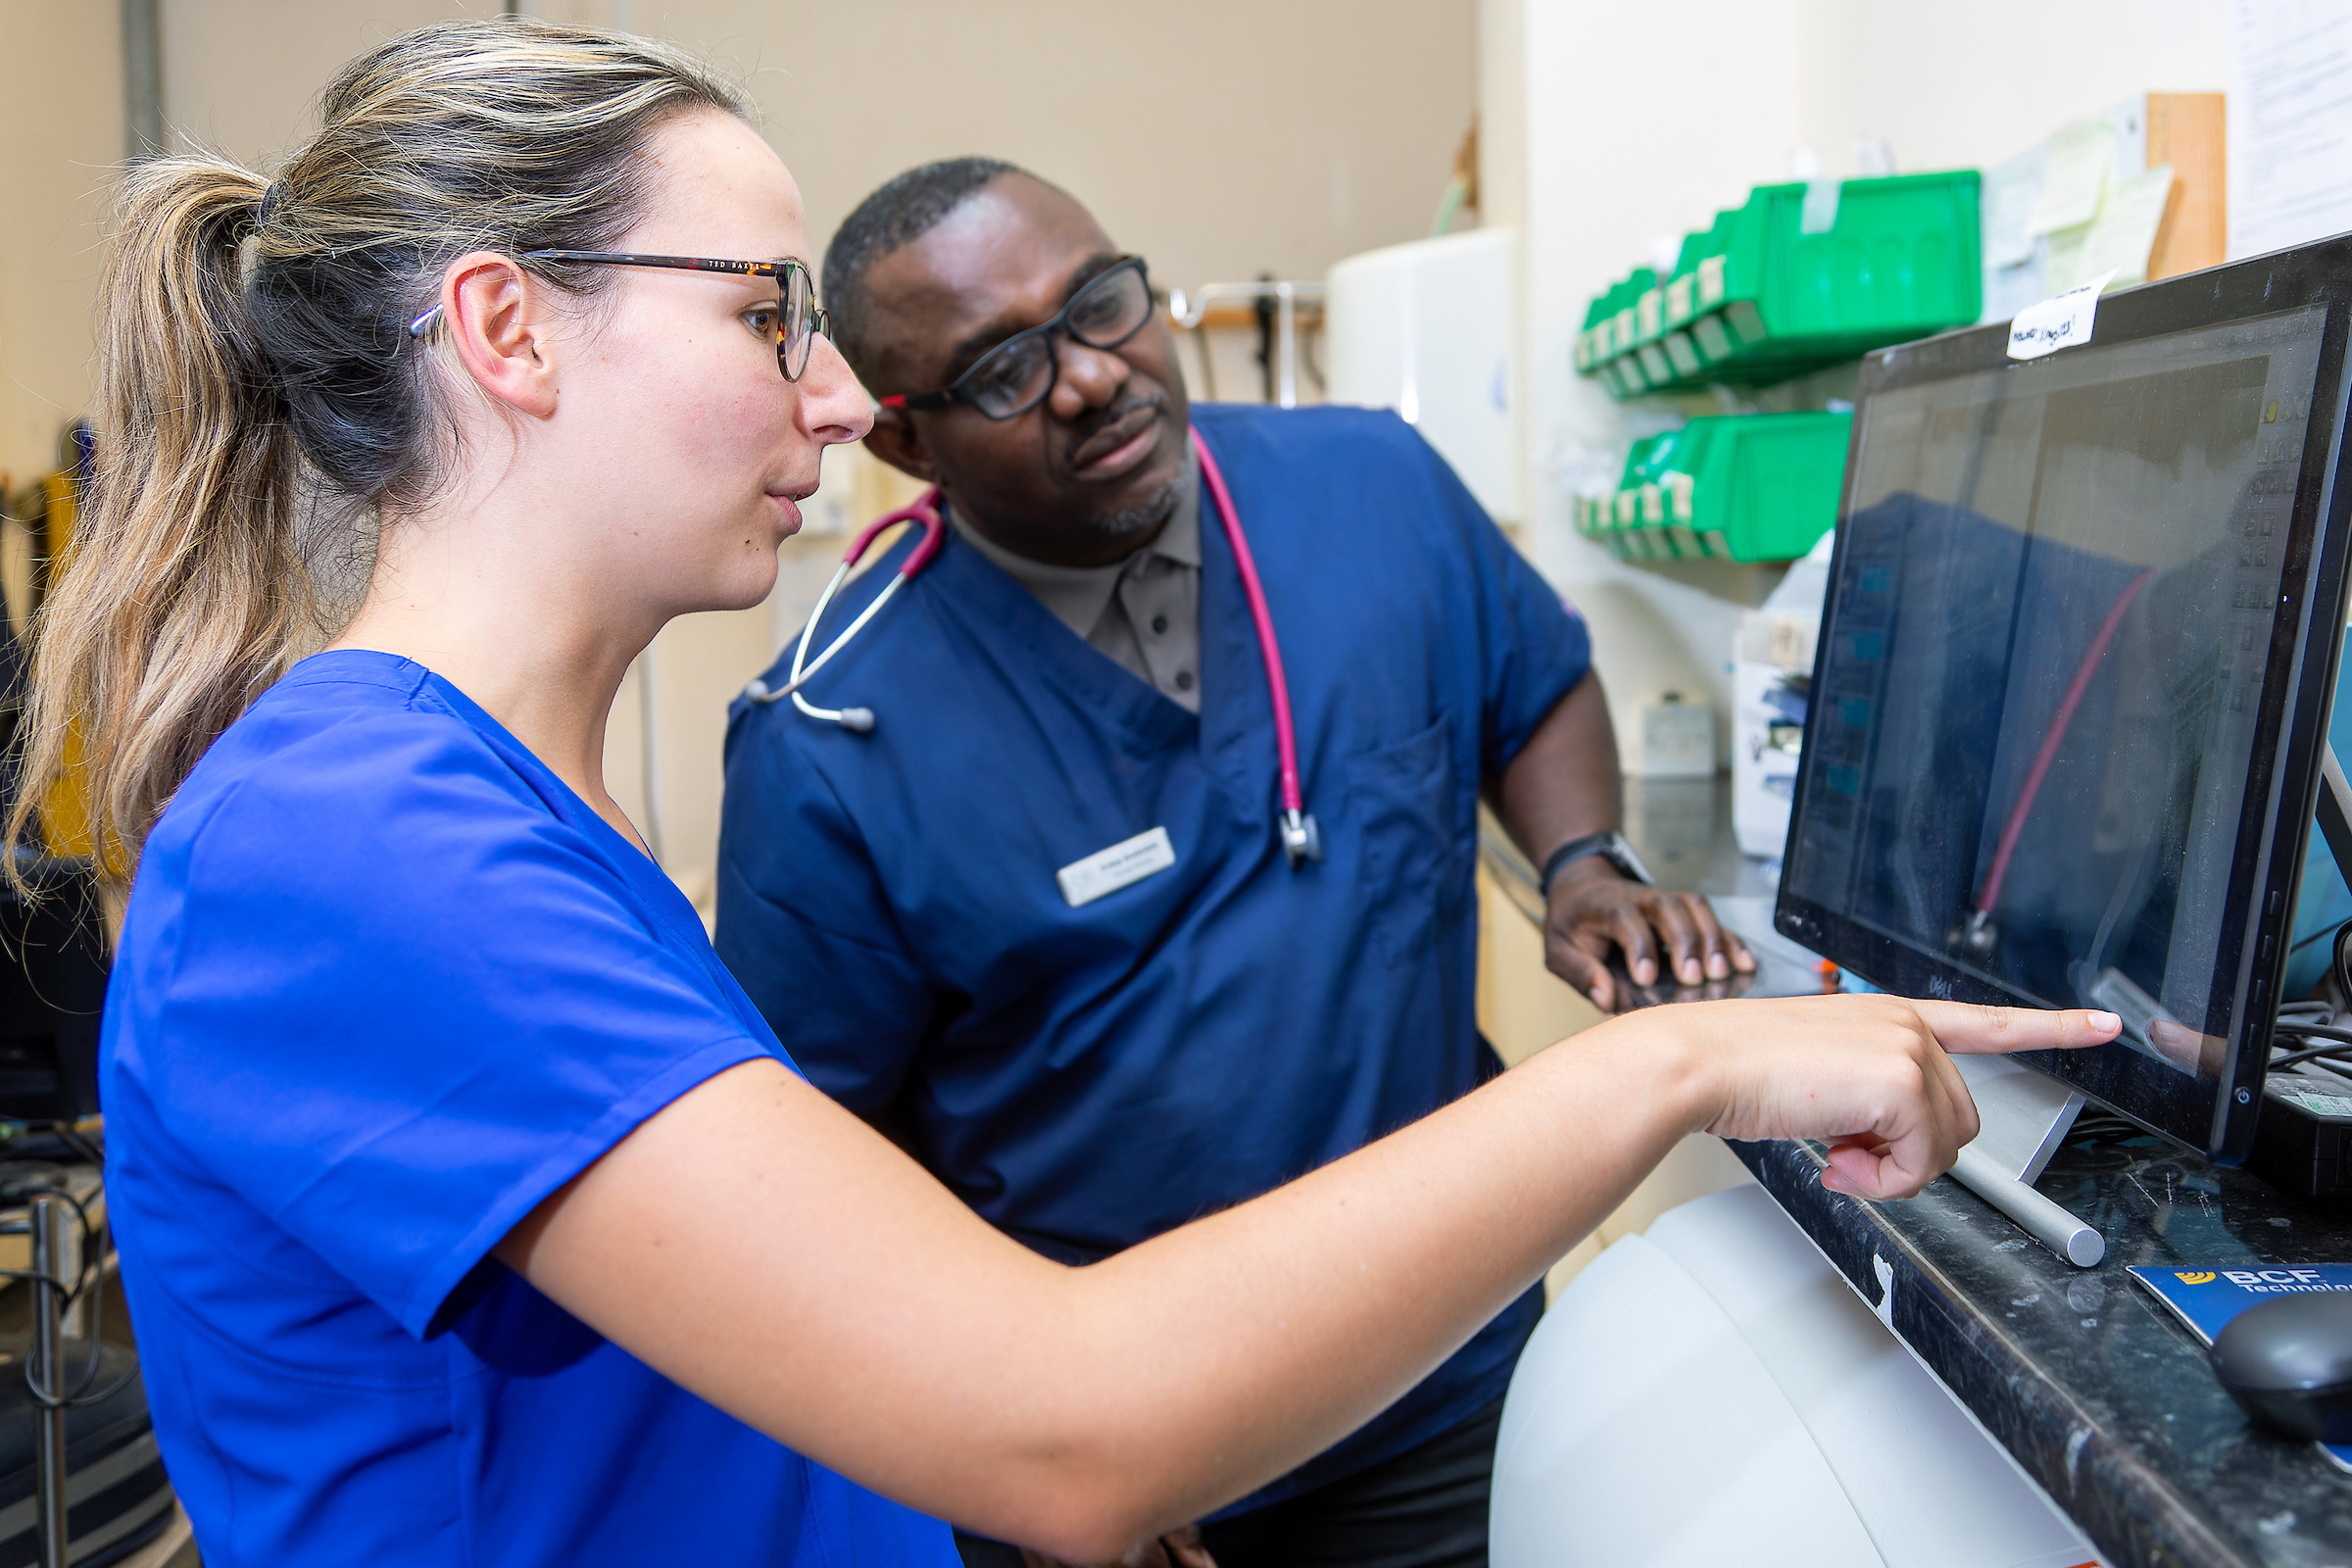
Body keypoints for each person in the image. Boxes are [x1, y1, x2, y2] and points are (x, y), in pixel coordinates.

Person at [11, 19, 2116, 1568]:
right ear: (509, 331)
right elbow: (1067, 1423)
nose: (836, 398)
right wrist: (1680, 1066)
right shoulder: (363, 848)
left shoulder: (487, 809)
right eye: (767, 315)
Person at [713, 161, 1748, 1566]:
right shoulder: (833, 734)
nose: (1089, 375)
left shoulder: (1371, 487)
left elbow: (1537, 677)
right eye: (1007, 369)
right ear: (905, 443)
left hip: (1447, 1388)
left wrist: (1582, 861)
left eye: (1104, 304)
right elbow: (818, 1183)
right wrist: (1027, 1456)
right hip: (1132, 1465)